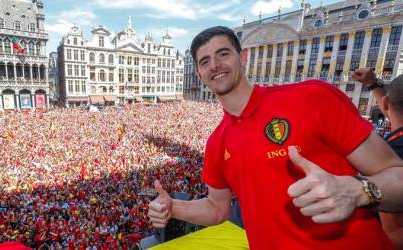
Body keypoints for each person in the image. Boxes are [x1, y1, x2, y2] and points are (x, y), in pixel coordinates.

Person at [148, 26, 403, 249]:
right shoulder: (217, 142)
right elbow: (218, 208)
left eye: (223, 53)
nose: (214, 64)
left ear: (243, 57)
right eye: (204, 61)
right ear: (200, 74)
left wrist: (359, 191)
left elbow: (396, 175)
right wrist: (173, 207)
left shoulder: (311, 97)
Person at [353, 68, 403, 249]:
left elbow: (394, 232)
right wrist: (373, 84)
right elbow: (394, 111)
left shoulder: (392, 154)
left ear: (386, 102)